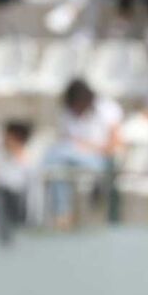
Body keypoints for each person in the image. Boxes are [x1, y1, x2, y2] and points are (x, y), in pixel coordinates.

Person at [44, 79, 123, 229]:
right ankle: (62, 215)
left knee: (55, 158)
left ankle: (62, 213)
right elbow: (67, 140)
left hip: (100, 159)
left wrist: (88, 147)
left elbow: (115, 144)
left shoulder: (107, 109)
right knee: (57, 166)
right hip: (71, 158)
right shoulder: (68, 112)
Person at [0, 121, 38, 245]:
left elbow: (31, 188)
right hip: (0, 195)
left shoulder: (29, 159)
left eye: (9, 137)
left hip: (18, 198)